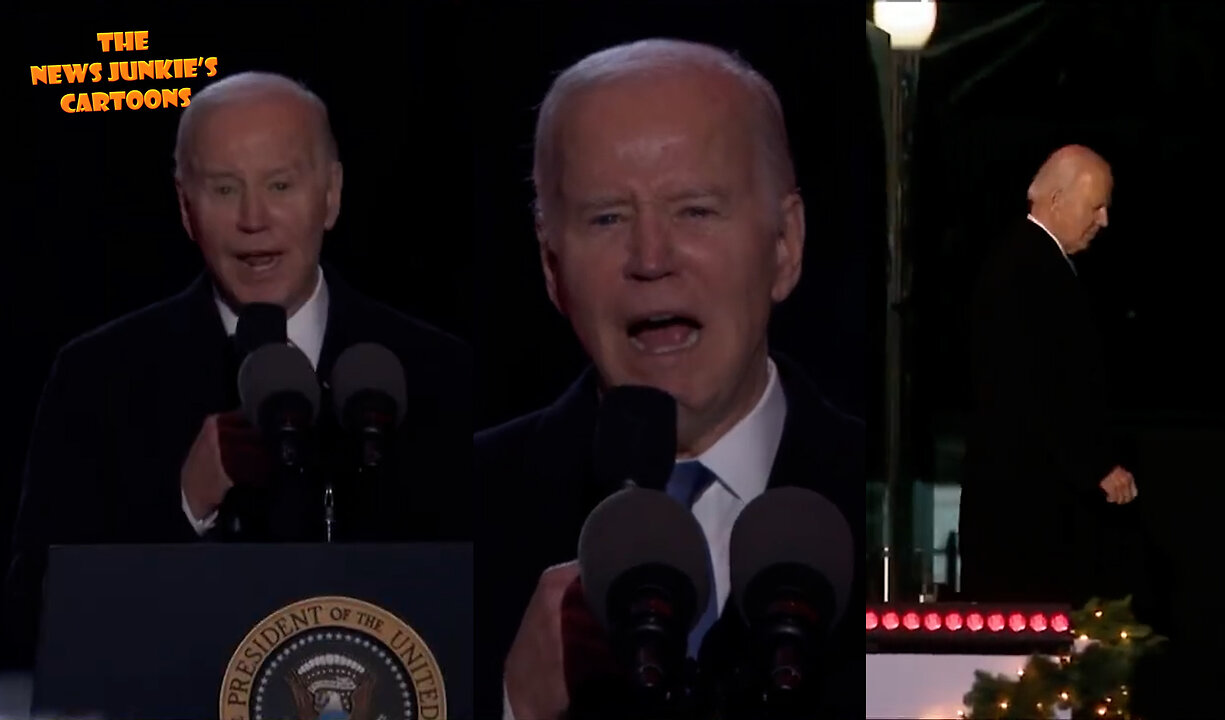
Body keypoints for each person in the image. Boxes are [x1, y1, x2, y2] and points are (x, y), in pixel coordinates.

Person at [1, 71, 471, 668]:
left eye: (280, 184)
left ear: (331, 194)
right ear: (185, 206)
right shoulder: (98, 377)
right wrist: (184, 506)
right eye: (224, 190)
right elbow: (30, 622)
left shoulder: (438, 372)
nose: (254, 218)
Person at [474, 39, 863, 719]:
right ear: (551, 266)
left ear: (785, 245)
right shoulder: (453, 506)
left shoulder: (878, 504)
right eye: (607, 218)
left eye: (695, 211)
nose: (650, 259)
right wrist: (510, 705)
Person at [960, 144, 1137, 605]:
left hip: (1022, 512)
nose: (1103, 221)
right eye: (1095, 206)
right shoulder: (1028, 271)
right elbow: (1034, 388)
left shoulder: (1027, 263)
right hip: (1027, 519)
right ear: (1057, 201)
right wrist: (1093, 465)